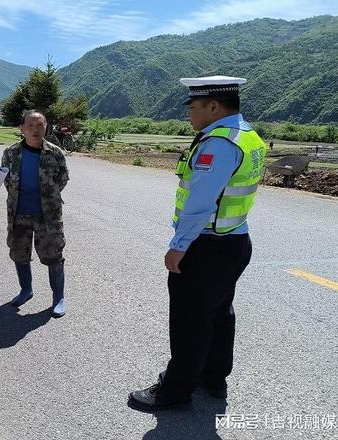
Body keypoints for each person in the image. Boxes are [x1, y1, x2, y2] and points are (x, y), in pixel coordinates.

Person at [127, 76, 266, 411]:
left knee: (190, 320)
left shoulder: (218, 143)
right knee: (219, 312)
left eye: (193, 106)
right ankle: (213, 377)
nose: (189, 112)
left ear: (214, 106)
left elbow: (200, 202)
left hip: (206, 246)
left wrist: (179, 245)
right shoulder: (248, 135)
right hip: (234, 240)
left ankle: (175, 391)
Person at [1, 110, 69, 318]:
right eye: (30, 125)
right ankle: (26, 290)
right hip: (18, 214)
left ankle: (58, 297)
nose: (35, 130)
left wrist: (48, 199)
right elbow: (6, 180)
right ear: (21, 129)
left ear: (46, 127)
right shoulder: (10, 153)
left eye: (40, 125)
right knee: (19, 255)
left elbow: (62, 179)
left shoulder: (55, 153)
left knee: (53, 257)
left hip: (47, 217)